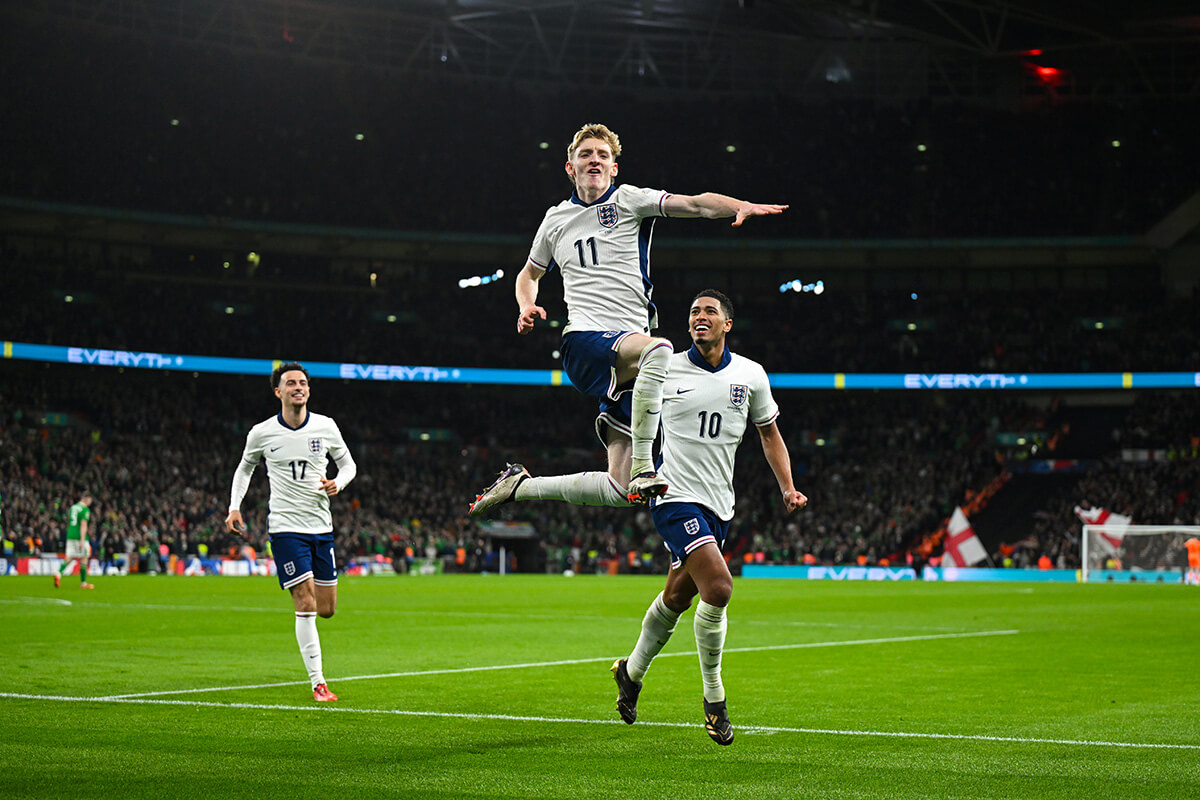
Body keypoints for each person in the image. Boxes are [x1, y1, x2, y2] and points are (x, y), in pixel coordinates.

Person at [469, 123, 787, 515]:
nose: (594, 160)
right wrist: (526, 306)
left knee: (620, 489)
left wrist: (737, 206)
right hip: (586, 340)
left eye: (603, 155)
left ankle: (522, 487)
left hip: (630, 359)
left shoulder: (630, 201)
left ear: (614, 168)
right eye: (585, 154)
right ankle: (644, 466)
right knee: (661, 350)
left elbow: (696, 204)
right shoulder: (555, 220)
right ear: (570, 167)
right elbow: (528, 274)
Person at [609, 290, 807, 745]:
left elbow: (770, 435)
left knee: (677, 599)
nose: (699, 317)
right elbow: (627, 406)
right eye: (694, 311)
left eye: (709, 312)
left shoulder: (750, 375)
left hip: (719, 505)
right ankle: (714, 701)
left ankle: (631, 673)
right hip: (673, 495)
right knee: (718, 587)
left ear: (727, 324)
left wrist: (788, 487)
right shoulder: (664, 366)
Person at [224, 362, 358, 702]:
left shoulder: (325, 427)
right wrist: (234, 507)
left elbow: (348, 465)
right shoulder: (262, 433)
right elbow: (244, 469)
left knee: (326, 608)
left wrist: (337, 483)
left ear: (308, 390)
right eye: (291, 383)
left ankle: (316, 668)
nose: (298, 387)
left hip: (321, 527)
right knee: (305, 601)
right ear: (278, 392)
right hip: (285, 528)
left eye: (303, 383)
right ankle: (318, 682)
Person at [54, 493, 95, 589]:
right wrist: (82, 538)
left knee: (70, 557)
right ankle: (83, 583)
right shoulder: (85, 510)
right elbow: (83, 524)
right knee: (85, 557)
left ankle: (58, 573)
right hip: (78, 536)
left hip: (70, 535)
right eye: (90, 500)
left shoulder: (73, 508)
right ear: (86, 499)